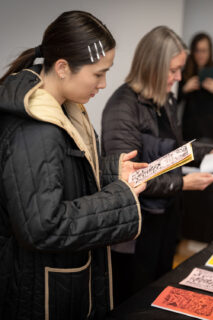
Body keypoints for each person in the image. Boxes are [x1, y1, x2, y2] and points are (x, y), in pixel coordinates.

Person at [0, 10, 147, 320]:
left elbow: (57, 174)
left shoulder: (64, 109)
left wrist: (110, 172)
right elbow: (43, 225)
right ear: (63, 67)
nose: (104, 84)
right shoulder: (34, 128)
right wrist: (121, 198)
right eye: (98, 73)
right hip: (37, 291)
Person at [101, 26, 213, 305]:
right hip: (136, 229)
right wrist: (184, 183)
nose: (179, 77)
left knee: (161, 292)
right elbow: (131, 179)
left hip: (166, 218)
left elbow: (173, 153)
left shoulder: (164, 99)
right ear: (153, 66)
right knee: (135, 299)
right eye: (174, 70)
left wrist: (208, 153)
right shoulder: (122, 107)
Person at [178, 32, 213, 144]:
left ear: (210, 51)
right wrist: (185, 89)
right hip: (189, 131)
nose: (200, 54)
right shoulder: (185, 72)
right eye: (197, 51)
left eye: (204, 51)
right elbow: (174, 100)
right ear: (192, 52)